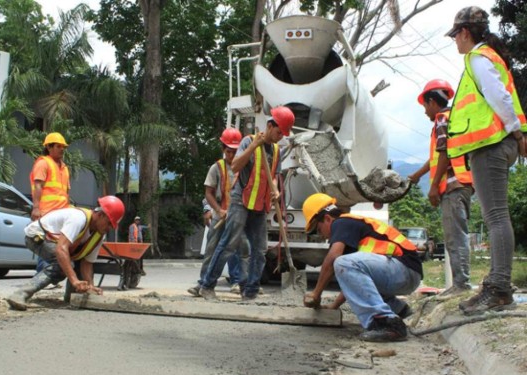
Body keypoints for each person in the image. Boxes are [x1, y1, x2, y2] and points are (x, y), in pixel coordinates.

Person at [445, 6, 526, 315]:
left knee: (495, 217)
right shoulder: (487, 58)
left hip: (492, 145)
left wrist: (517, 133)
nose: (455, 42)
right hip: (493, 145)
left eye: (455, 36)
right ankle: (496, 285)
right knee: (496, 216)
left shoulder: (478, 59)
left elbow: (500, 99)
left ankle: (499, 289)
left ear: (464, 33)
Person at [198, 106, 295, 300]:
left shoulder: (276, 151)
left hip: (260, 205)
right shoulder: (248, 141)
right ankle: (207, 285)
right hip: (241, 201)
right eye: (278, 132)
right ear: (269, 126)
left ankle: (250, 291)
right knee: (228, 244)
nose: (279, 137)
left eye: (282, 134)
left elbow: (274, 176)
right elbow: (234, 166)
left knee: (259, 250)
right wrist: (253, 147)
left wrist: (275, 190)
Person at [302, 193, 422, 342]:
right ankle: (398, 310)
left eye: (318, 230)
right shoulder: (352, 229)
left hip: (403, 269)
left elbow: (333, 258)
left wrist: (316, 293)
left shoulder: (341, 222)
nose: (321, 236)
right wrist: (334, 306)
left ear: (327, 219)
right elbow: (354, 282)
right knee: (347, 267)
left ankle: (386, 323)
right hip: (404, 273)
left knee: (341, 262)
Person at [409, 79, 473, 296]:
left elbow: (445, 154)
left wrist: (434, 186)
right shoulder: (452, 118)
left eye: (425, 106)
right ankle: (459, 284)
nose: (425, 111)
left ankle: (461, 286)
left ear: (431, 102)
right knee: (455, 236)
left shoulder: (441, 120)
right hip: (461, 184)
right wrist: (417, 175)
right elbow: (437, 156)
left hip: (453, 186)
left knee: (456, 237)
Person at [6, 195, 125, 311]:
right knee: (62, 265)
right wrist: (74, 280)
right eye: (109, 223)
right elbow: (61, 249)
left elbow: (86, 263)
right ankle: (20, 294)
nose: (110, 228)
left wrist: (89, 287)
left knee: (75, 267)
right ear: (100, 215)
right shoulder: (79, 218)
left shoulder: (99, 235)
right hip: (37, 235)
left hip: (57, 243)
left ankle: (71, 298)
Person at [188, 128, 249, 297]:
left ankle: (240, 283)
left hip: (239, 217)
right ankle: (203, 283)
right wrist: (218, 210)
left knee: (242, 250)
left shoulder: (244, 167)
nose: (232, 155)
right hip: (220, 216)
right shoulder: (216, 168)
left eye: (235, 151)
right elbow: (208, 192)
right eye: (229, 151)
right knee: (212, 250)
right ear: (223, 149)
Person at [30, 132, 71, 285]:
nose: (62, 150)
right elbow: (38, 186)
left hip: (61, 214)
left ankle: (48, 277)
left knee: (55, 246)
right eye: (58, 146)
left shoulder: (64, 168)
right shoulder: (43, 163)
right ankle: (43, 276)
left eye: (63, 147)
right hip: (46, 212)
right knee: (46, 246)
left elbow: (65, 192)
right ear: (48, 147)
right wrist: (36, 208)